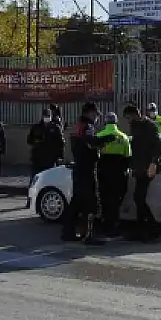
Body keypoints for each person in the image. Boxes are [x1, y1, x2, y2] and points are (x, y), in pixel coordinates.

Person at [62, 102, 117, 245]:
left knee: (77, 202)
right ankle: (88, 236)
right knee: (91, 203)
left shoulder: (79, 125)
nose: (96, 117)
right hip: (86, 169)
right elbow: (91, 142)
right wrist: (107, 139)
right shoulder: (87, 127)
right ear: (89, 113)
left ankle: (68, 232)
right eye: (95, 114)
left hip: (80, 168)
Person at [123, 105, 161, 241]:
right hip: (140, 167)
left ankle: (152, 227)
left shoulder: (149, 126)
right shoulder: (135, 126)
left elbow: (158, 146)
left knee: (139, 197)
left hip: (148, 166)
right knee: (138, 197)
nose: (128, 121)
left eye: (129, 117)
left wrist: (153, 164)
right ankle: (143, 229)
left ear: (136, 114)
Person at [95, 112, 132, 237]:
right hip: (119, 175)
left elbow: (95, 156)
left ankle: (105, 225)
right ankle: (114, 226)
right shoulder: (124, 137)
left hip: (103, 174)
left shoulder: (99, 135)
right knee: (116, 201)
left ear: (105, 122)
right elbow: (128, 158)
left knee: (104, 199)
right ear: (116, 122)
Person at [27, 108, 65, 175]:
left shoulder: (55, 128)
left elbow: (61, 143)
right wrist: (36, 141)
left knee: (50, 179)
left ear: (51, 117)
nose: (47, 118)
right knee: (36, 179)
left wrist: (60, 156)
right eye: (45, 116)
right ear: (42, 116)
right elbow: (29, 140)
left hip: (50, 159)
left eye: (48, 116)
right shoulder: (36, 127)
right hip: (38, 159)